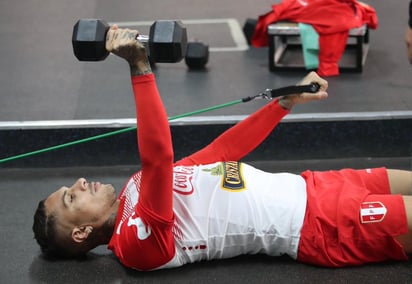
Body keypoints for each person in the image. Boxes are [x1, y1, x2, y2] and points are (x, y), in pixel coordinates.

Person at [33, 25, 412, 271]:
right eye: (70, 197)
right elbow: (159, 157)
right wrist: (139, 67)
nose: (80, 182)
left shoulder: (135, 186)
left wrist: (283, 104)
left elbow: (220, 154)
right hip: (322, 225)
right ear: (81, 233)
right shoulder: (136, 246)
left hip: (315, 186)